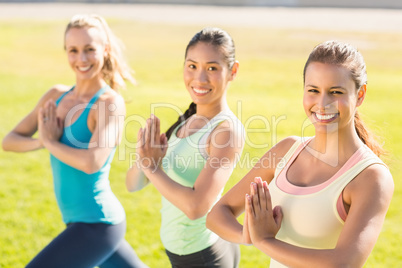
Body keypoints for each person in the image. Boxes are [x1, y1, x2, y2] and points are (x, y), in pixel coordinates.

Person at [206, 40, 394, 267]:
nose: (322, 103)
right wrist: (248, 236)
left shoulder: (371, 177)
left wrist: (264, 240)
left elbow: (343, 263)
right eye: (313, 90)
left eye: (336, 92)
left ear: (360, 94)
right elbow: (218, 214)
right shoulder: (286, 150)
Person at [2, 14, 147, 268]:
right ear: (66, 52)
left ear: (105, 50)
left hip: (99, 224)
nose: (82, 59)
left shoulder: (108, 104)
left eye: (90, 49)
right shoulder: (56, 96)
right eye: (74, 50)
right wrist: (42, 141)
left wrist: (51, 143)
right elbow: (10, 141)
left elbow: (92, 162)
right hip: (77, 221)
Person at [126, 27, 245, 267]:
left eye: (212, 68)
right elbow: (132, 185)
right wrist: (145, 160)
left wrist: (152, 167)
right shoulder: (187, 120)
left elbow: (196, 207)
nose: (199, 78)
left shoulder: (226, 131)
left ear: (232, 71)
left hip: (202, 256)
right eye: (192, 66)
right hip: (185, 253)